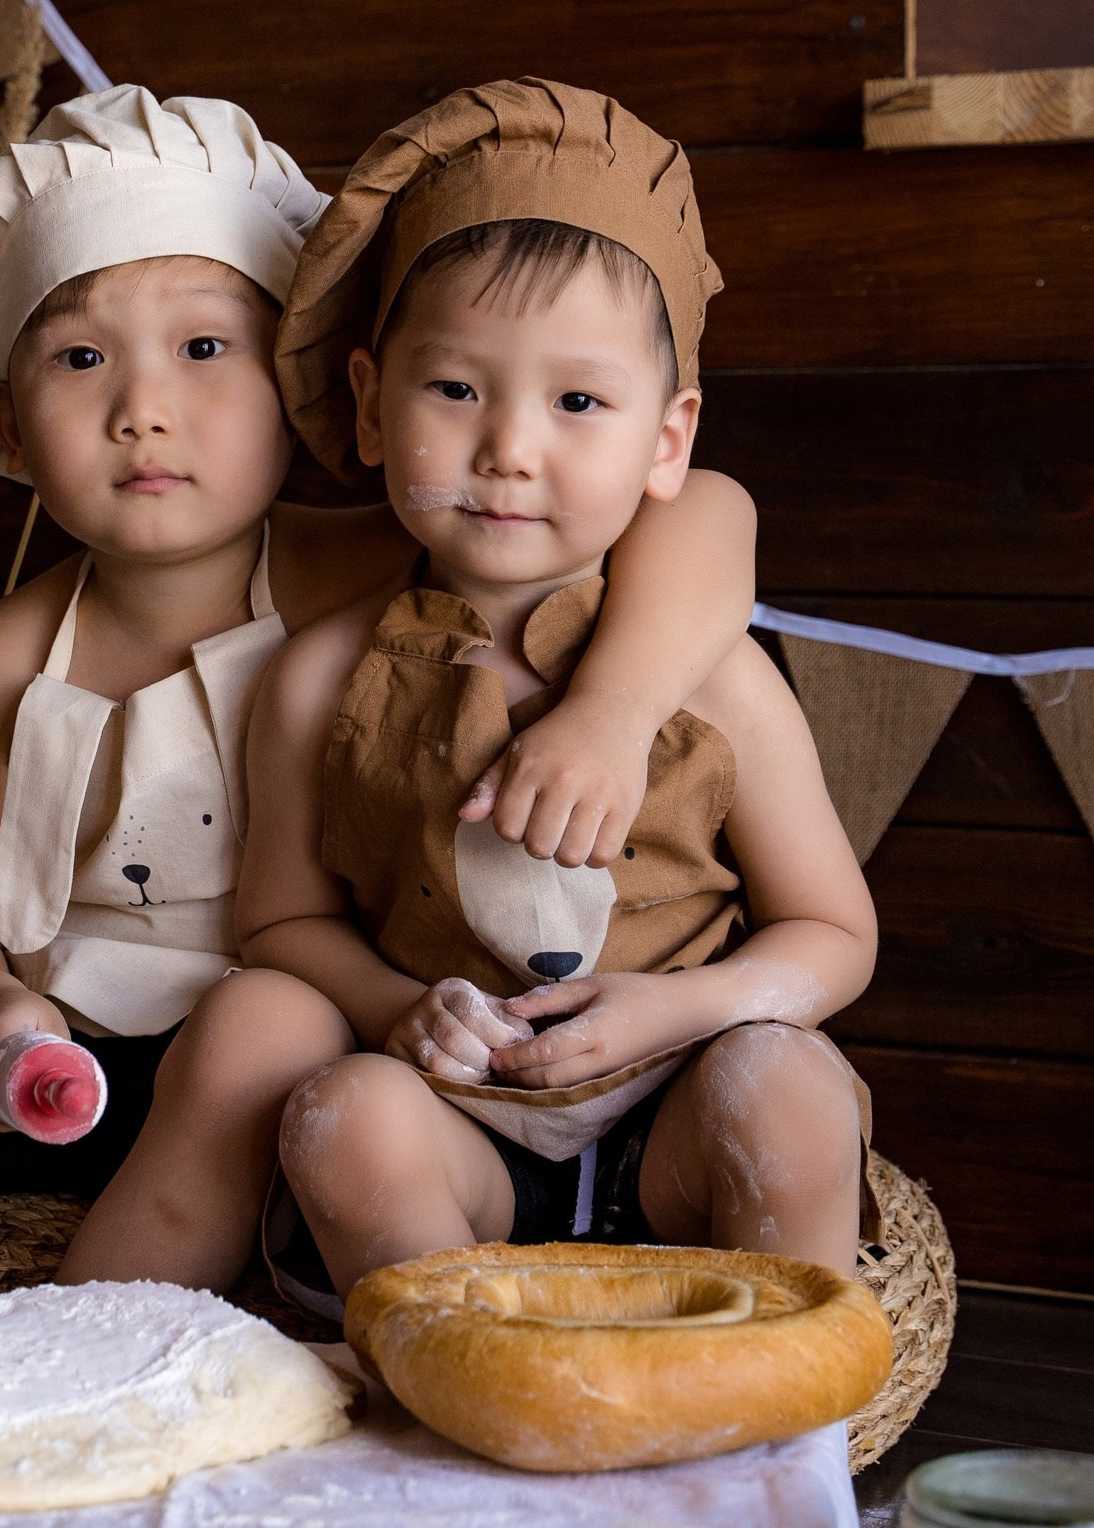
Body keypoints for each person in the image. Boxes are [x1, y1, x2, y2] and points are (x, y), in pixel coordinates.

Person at [0, 85, 765, 1295]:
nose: (142, 412)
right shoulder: (8, 655)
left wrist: (614, 712)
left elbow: (700, 510)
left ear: (306, 382)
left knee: (263, 1024)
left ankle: (108, 1327)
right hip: (42, 1046)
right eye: (79, 358)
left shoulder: (385, 559)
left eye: (203, 349)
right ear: (9, 424)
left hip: (273, 1031)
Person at [238, 80, 879, 1308]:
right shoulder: (320, 678)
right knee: (341, 1112)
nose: (510, 450)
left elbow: (833, 936)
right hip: (457, 1132)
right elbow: (279, 926)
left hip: (679, 1112)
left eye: (578, 402)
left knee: (787, 1082)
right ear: (370, 404)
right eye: (454, 390)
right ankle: (460, 1371)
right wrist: (399, 1012)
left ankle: (777, 1387)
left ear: (666, 439)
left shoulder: (710, 678)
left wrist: (680, 1010)